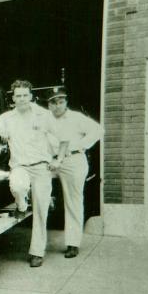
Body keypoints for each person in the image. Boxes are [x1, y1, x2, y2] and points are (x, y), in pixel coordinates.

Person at [0, 80, 53, 268]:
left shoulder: (43, 115)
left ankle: (37, 252)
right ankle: (21, 206)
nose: (21, 99)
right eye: (18, 96)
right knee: (18, 187)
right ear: (13, 98)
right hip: (20, 166)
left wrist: (55, 159)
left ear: (31, 96)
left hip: (41, 167)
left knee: (41, 210)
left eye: (25, 95)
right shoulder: (7, 118)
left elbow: (58, 136)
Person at [46, 86, 104, 258]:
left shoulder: (76, 117)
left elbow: (98, 130)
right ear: (48, 105)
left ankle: (73, 243)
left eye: (61, 101)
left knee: (73, 201)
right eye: (53, 102)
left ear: (66, 102)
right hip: (50, 161)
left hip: (73, 160)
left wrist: (80, 145)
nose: (57, 106)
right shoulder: (44, 119)